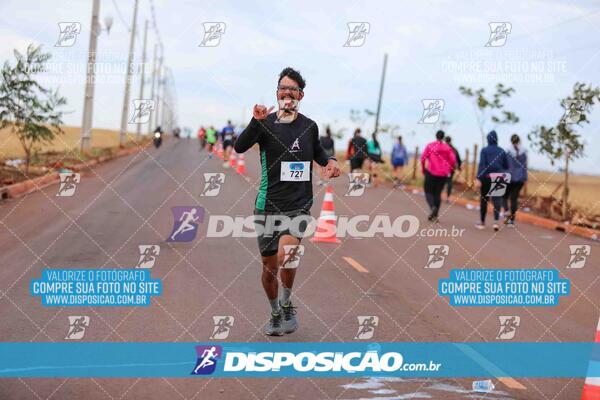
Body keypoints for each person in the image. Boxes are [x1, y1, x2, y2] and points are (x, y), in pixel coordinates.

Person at [233, 67, 340, 336]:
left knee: (287, 256)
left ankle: (287, 301)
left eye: (293, 89)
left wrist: (332, 163)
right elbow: (239, 147)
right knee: (268, 268)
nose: (287, 92)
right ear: (277, 93)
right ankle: (275, 312)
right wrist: (255, 121)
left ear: (300, 95)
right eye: (283, 88)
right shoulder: (265, 123)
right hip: (267, 205)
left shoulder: (309, 126)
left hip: (299, 204)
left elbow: (319, 152)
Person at [475, 130, 509, 231]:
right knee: (497, 200)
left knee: (484, 200)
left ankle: (482, 222)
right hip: (499, 177)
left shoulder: (484, 150)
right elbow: (506, 166)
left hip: (486, 177)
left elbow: (482, 165)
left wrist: (478, 178)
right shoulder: (502, 151)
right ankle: (496, 222)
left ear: (488, 139)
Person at [420, 130, 456, 222]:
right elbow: (453, 160)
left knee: (428, 191)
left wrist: (423, 169)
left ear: (436, 136)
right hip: (443, 174)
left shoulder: (430, 146)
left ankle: (432, 208)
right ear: (443, 137)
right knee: (437, 193)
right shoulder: (447, 148)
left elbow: (423, 158)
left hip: (431, 172)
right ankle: (435, 216)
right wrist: (448, 169)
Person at [503, 134, 528, 227]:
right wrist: (525, 178)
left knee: (504, 196)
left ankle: (506, 211)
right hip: (520, 179)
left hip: (509, 178)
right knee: (514, 199)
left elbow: (505, 166)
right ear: (519, 141)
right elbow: (525, 167)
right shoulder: (524, 152)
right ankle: (511, 221)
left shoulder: (508, 152)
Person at [443, 136, 462, 202]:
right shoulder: (454, 149)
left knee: (441, 181)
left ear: (445, 140)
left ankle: (437, 195)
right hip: (451, 169)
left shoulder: (443, 148)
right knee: (449, 181)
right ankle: (448, 197)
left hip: (442, 168)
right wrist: (459, 168)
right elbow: (459, 160)